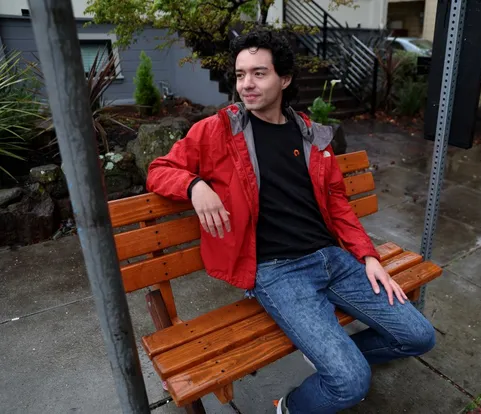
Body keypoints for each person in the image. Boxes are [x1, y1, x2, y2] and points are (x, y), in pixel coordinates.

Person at [146, 28, 436, 414]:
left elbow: (337, 203)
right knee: (350, 383)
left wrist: (367, 257)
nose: (246, 84)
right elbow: (160, 169)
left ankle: (336, 358)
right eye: (240, 74)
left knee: (419, 336)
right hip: (278, 272)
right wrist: (195, 185)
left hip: (334, 260)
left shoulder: (311, 134)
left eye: (259, 73)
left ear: (284, 79)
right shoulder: (219, 130)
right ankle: (292, 407)